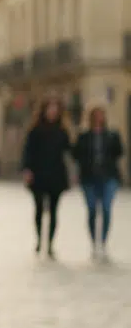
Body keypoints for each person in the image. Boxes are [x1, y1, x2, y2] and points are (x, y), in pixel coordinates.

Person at [21, 97, 73, 258]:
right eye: (50, 108)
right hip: (38, 175)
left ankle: (50, 244)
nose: (52, 112)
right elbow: (27, 151)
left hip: (56, 175)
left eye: (55, 109)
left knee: (54, 211)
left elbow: (70, 150)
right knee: (38, 209)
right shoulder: (35, 130)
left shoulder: (62, 131)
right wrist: (27, 170)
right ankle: (39, 240)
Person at [72, 105, 124, 259]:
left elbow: (119, 152)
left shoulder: (112, 135)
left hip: (109, 177)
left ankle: (103, 242)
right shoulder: (84, 136)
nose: (99, 118)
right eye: (96, 115)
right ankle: (94, 242)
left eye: (101, 115)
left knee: (107, 209)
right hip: (89, 178)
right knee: (92, 210)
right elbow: (76, 154)